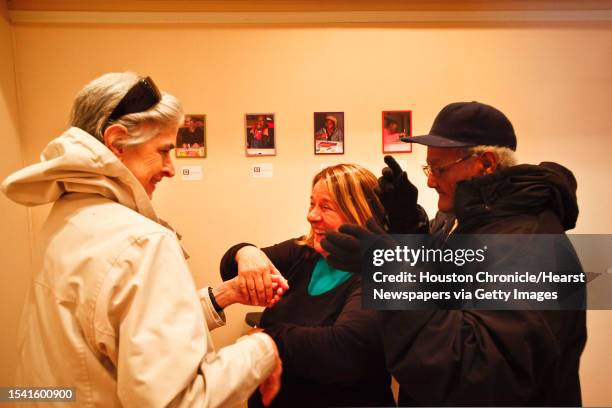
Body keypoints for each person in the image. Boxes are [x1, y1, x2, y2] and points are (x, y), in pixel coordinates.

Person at [1, 72, 285, 407]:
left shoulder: (67, 220)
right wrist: (261, 349)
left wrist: (222, 295)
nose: (170, 168)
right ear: (116, 141)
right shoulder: (143, 242)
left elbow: (113, 328)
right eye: (164, 151)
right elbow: (178, 401)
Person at [322, 101, 586, 406]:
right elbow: (439, 290)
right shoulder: (469, 220)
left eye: (439, 168)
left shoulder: (529, 243)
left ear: (485, 164)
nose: (431, 181)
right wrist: (406, 225)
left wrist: (390, 274)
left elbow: (476, 370)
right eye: (428, 168)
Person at [219, 164, 395, 407]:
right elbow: (230, 271)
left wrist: (264, 338)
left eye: (325, 207)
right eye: (311, 204)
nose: (311, 215)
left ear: (358, 215)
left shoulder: (381, 271)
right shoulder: (303, 252)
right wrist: (245, 252)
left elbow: (343, 349)